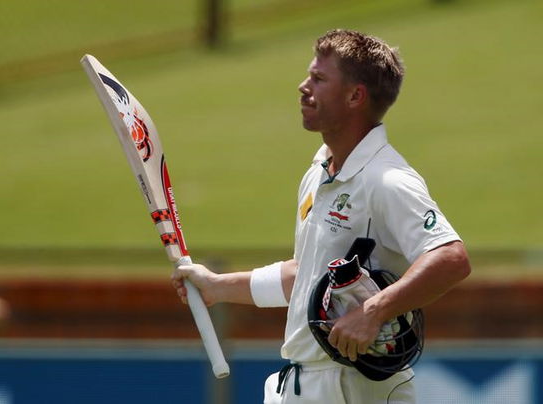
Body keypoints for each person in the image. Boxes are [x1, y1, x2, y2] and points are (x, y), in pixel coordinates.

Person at [171, 29, 471, 404]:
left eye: (318, 78)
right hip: (301, 385)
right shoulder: (318, 171)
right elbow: (307, 274)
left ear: (355, 96)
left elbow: (451, 258)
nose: (303, 86)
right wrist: (218, 286)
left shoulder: (387, 179)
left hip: (354, 388)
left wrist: (374, 311)